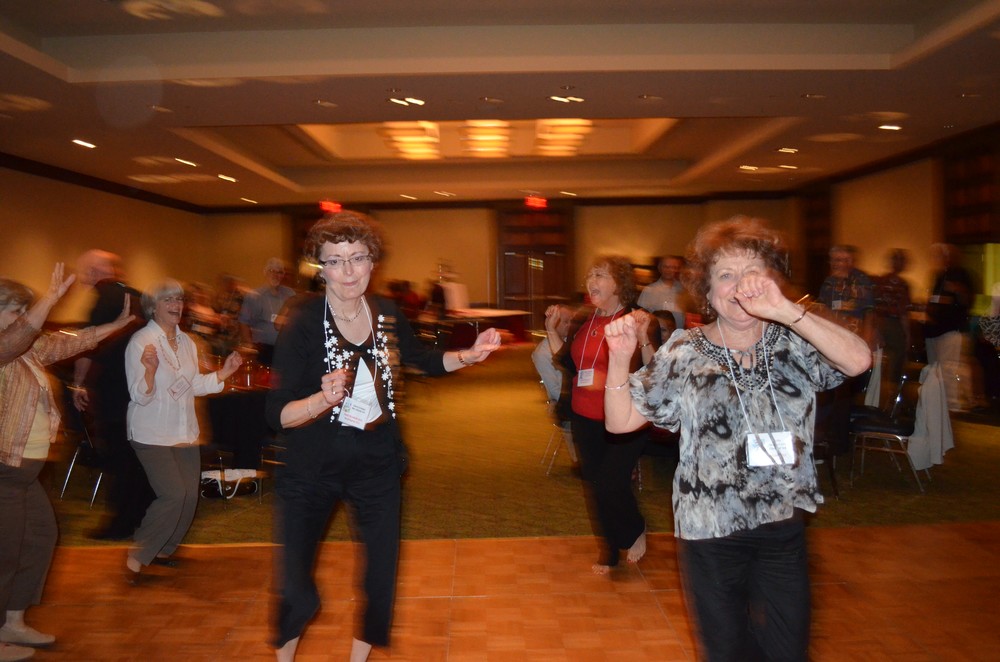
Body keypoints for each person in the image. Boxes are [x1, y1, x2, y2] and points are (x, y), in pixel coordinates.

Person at [603, 217, 871, 661]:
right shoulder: (685, 350)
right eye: (726, 275)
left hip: (782, 522)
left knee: (789, 650)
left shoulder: (794, 339)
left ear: (770, 281)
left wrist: (784, 310)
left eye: (752, 273)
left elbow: (858, 361)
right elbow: (620, 423)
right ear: (708, 293)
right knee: (726, 650)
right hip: (709, 528)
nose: (740, 285)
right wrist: (618, 358)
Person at [266, 210, 501, 662]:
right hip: (311, 468)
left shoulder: (387, 313)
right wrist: (320, 399)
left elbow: (422, 359)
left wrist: (468, 356)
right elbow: (276, 414)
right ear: (320, 267)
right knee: (295, 585)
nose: (348, 271)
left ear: (372, 262)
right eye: (335, 260)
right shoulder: (303, 322)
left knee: (379, 579)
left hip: (376, 462)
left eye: (357, 258)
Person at [1, 264, 134, 661]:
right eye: (15, 311)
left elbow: (65, 344)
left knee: (40, 537)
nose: (23, 319)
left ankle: (12, 621)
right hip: (4, 470)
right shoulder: (7, 349)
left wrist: (115, 326)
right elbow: (15, 339)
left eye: (24, 311)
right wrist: (49, 300)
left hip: (25, 475)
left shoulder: (27, 351)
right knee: (5, 551)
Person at [124, 280, 243, 584]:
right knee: (174, 494)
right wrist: (150, 371)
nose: (176, 305)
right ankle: (137, 557)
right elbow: (139, 395)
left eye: (178, 299)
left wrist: (224, 373)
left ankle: (163, 551)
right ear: (153, 307)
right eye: (168, 300)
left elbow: (193, 385)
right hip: (151, 433)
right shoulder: (141, 341)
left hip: (184, 431)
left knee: (189, 497)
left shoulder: (187, 342)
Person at [544, 255, 657, 574]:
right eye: (590, 275)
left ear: (619, 284)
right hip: (584, 416)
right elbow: (569, 363)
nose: (591, 281)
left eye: (600, 275)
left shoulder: (636, 318)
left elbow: (656, 369)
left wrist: (644, 337)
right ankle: (609, 549)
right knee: (595, 484)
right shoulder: (587, 319)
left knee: (610, 483)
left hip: (625, 420)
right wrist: (551, 330)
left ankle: (635, 528)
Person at [70, 250, 152, 541]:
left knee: (121, 459)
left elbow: (88, 343)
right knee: (140, 459)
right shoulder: (139, 296)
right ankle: (141, 518)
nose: (83, 279)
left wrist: (78, 383)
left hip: (118, 392)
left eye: (85, 272)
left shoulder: (104, 298)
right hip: (145, 389)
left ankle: (121, 524)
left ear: (95, 272)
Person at [924, 243, 976, 411]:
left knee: (951, 368)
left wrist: (956, 290)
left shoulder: (962, 275)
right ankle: (942, 402)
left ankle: (953, 404)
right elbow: (934, 300)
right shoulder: (940, 275)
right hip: (936, 329)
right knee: (938, 369)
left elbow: (967, 300)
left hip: (952, 329)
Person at [239, 259, 295, 366]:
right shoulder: (254, 296)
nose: (276, 275)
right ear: (265, 272)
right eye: (272, 271)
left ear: (283, 275)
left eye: (279, 272)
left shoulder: (290, 294)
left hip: (285, 349)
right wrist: (249, 347)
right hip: (263, 350)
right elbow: (243, 322)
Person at [873, 249, 913, 392]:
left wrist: (875, 328)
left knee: (879, 361)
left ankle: (876, 393)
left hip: (879, 323)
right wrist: (908, 335)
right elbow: (903, 312)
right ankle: (892, 393)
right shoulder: (902, 284)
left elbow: (873, 306)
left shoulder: (880, 281)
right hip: (894, 325)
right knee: (897, 361)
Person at [637, 254, 687, 331]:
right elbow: (640, 314)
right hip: (657, 335)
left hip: (680, 335)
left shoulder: (683, 290)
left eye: (674, 267)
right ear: (660, 268)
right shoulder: (650, 290)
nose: (670, 270)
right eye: (666, 267)